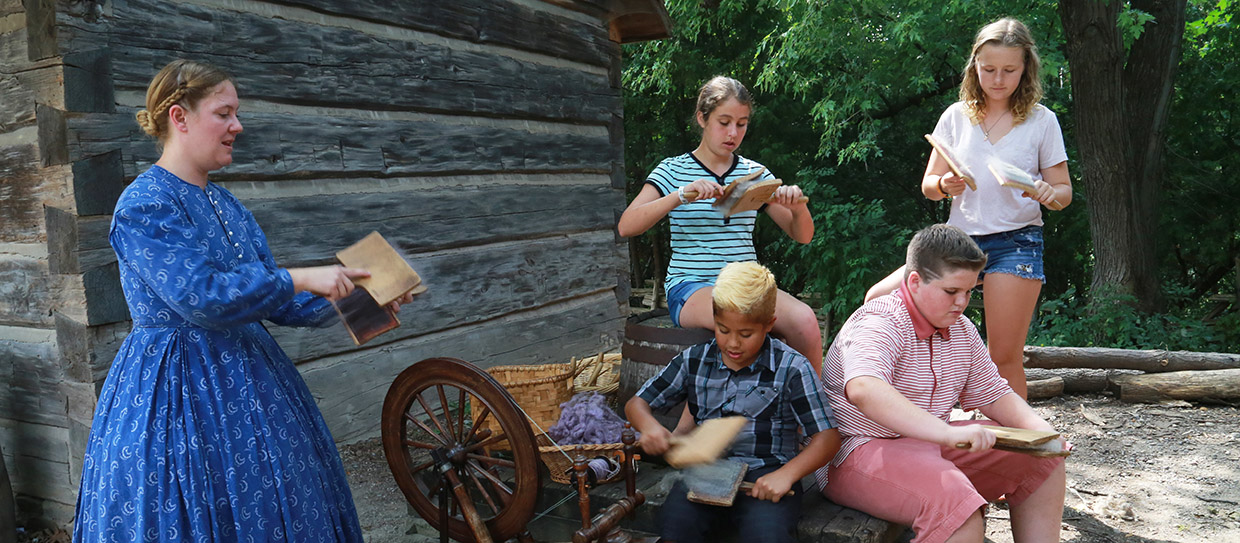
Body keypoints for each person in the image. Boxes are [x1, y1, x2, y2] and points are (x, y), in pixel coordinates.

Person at [72, 60, 408, 542]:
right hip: (175, 390)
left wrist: (366, 297)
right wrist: (297, 276)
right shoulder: (145, 205)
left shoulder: (230, 207)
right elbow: (202, 299)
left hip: (253, 379)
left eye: (237, 113)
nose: (238, 125)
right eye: (224, 113)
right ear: (179, 117)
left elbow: (278, 303)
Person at [864, 18, 1072, 398]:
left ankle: (1013, 448)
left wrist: (1046, 192)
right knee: (877, 298)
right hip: (959, 241)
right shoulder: (956, 116)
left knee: (1003, 355)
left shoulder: (1043, 120)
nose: (998, 79)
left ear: (1026, 68)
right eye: (989, 69)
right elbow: (929, 186)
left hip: (1017, 241)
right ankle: (899, 405)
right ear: (974, 66)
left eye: (1009, 70)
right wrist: (944, 185)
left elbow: (1063, 194)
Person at [819, 224, 1066, 543]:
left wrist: (1043, 432)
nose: (962, 302)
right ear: (914, 282)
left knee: (1044, 461)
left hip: (932, 443)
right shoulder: (880, 321)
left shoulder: (962, 329)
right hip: (860, 449)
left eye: (969, 292)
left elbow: (995, 393)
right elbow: (864, 389)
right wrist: (948, 433)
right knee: (957, 512)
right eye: (951, 291)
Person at [617, 76, 823, 370]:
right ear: (702, 118)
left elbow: (802, 236)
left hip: (749, 284)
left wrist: (797, 207)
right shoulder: (673, 169)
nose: (733, 132)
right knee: (741, 316)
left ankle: (815, 410)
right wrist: (680, 196)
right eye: (724, 122)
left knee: (805, 320)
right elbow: (627, 225)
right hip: (692, 286)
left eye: (742, 123)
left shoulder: (755, 174)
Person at [626, 261, 840, 543]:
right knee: (676, 528)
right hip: (705, 473)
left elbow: (828, 437)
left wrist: (787, 475)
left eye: (746, 334)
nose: (733, 344)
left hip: (766, 475)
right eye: (723, 330)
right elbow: (636, 404)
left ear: (768, 325)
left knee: (767, 536)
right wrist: (651, 428)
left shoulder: (791, 367)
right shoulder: (696, 360)